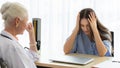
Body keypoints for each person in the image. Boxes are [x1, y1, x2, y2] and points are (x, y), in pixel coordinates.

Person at [0, 2, 39, 68]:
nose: (27, 25)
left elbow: (33, 57)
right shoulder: (13, 47)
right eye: (26, 21)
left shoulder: (4, 40)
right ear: (17, 21)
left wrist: (31, 34)